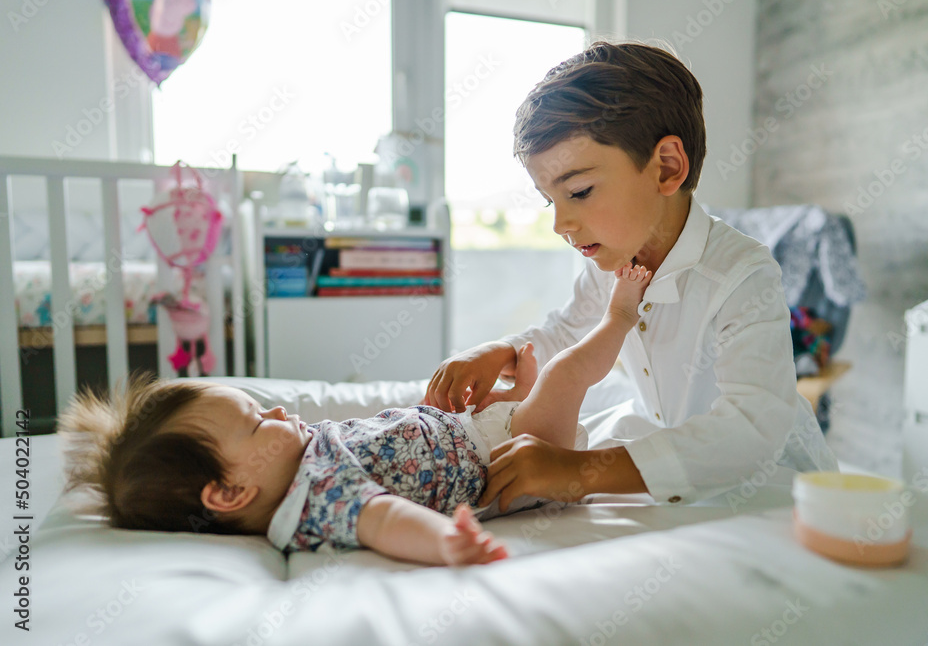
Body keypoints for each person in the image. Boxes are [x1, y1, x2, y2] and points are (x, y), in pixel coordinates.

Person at [423, 40, 839, 512]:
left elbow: (751, 429)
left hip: (761, 477)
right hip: (659, 433)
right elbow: (565, 329)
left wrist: (574, 472)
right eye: (549, 200)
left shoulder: (743, 275)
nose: (560, 224)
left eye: (578, 191)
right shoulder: (610, 260)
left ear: (666, 168)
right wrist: (501, 351)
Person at [56, 265, 651, 566]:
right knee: (565, 374)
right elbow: (386, 519)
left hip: (476, 434)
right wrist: (448, 543)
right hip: (515, 465)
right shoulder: (315, 496)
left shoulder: (288, 461)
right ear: (231, 493)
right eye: (260, 420)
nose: (282, 411)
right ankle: (621, 316)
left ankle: (524, 394)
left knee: (529, 377)